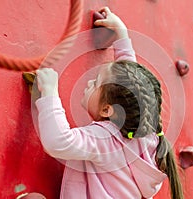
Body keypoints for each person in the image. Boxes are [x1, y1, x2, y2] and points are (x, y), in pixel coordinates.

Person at [35, 7, 184, 199]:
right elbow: (132, 86)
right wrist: (121, 36)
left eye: (96, 82)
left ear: (107, 109)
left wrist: (49, 93)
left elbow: (59, 141)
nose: (89, 82)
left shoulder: (106, 138)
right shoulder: (145, 135)